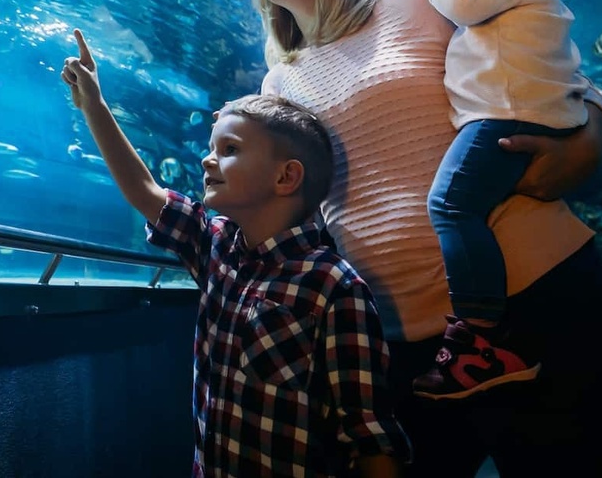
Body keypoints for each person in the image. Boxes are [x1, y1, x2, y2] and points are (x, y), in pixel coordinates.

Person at [249, 0, 602, 477]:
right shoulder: (277, 82)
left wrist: (590, 135)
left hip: (536, 294)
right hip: (403, 338)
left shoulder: (421, 0)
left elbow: (549, 65)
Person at [61, 30, 411, 478]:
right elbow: (144, 191)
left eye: (229, 150)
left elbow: (369, 436)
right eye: (211, 148)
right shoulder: (215, 247)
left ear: (287, 177)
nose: (208, 161)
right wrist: (94, 103)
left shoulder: (333, 287)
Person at [409, 0, 589, 400]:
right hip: (516, 108)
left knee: (450, 204)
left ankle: (482, 339)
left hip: (507, 111)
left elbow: (464, 2)